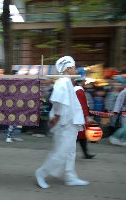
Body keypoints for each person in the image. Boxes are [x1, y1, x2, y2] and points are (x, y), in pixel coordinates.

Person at [35, 56, 89, 189]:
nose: (75, 70)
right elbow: (58, 102)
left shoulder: (67, 82)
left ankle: (70, 177)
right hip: (64, 123)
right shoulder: (63, 82)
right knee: (61, 152)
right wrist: (57, 118)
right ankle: (41, 173)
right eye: (74, 67)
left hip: (69, 122)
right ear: (68, 68)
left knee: (70, 152)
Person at [74, 76, 95, 159]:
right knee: (79, 135)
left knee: (81, 136)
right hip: (79, 116)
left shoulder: (75, 90)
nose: (85, 82)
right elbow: (83, 105)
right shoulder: (79, 90)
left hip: (78, 116)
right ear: (81, 81)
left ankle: (86, 154)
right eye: (84, 81)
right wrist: (87, 116)